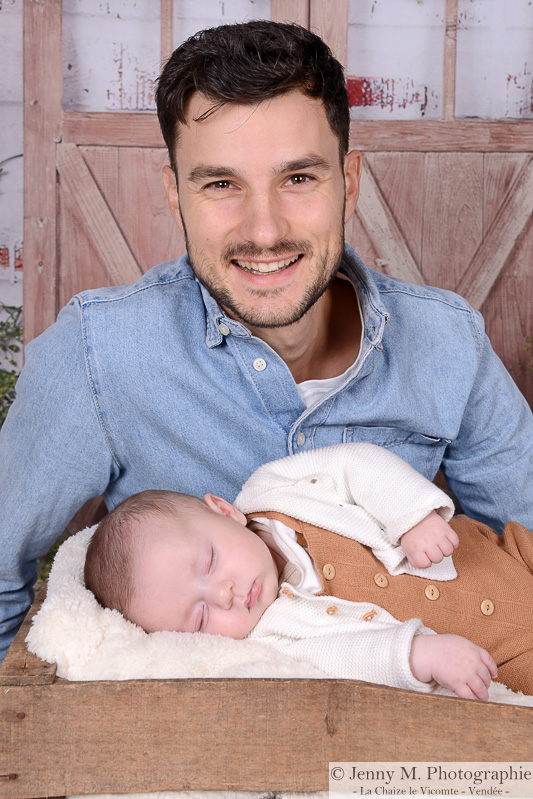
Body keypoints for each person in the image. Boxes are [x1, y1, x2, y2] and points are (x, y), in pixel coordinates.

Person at [1, 21, 532, 665]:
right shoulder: (94, 356)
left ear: (350, 181)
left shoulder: (449, 343)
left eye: (299, 178)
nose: (264, 230)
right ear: (176, 194)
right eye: (221, 184)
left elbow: (521, 549)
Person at [84, 442, 522, 700]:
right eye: (201, 618)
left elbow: (356, 465)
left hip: (499, 554)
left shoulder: (274, 489)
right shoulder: (270, 643)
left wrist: (411, 517)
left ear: (224, 511)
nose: (225, 594)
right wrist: (418, 655)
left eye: (210, 562)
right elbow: (344, 660)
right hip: (500, 658)